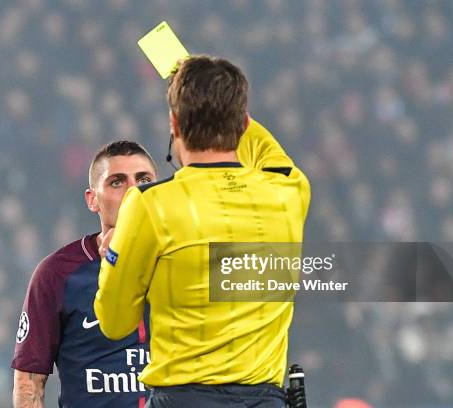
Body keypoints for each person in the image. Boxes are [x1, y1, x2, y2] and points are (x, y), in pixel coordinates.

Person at [94, 55, 310, 407]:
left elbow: (114, 322)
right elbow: (261, 142)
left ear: (173, 124)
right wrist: (212, 94)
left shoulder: (150, 205)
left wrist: (112, 255)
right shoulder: (288, 191)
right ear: (242, 124)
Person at [11, 141, 157, 408]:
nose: (134, 191)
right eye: (117, 182)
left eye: (144, 179)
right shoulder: (57, 273)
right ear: (92, 200)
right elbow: (29, 381)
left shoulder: (182, 259)